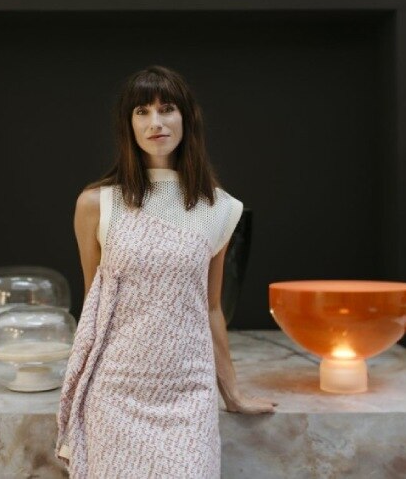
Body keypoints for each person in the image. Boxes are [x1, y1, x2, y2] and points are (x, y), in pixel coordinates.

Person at [55, 65, 277, 478]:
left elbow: (210, 308)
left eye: (167, 108)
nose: (155, 122)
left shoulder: (222, 209)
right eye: (142, 111)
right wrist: (77, 388)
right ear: (128, 126)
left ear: (187, 118)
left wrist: (232, 393)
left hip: (186, 393)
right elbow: (93, 303)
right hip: (116, 391)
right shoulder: (97, 203)